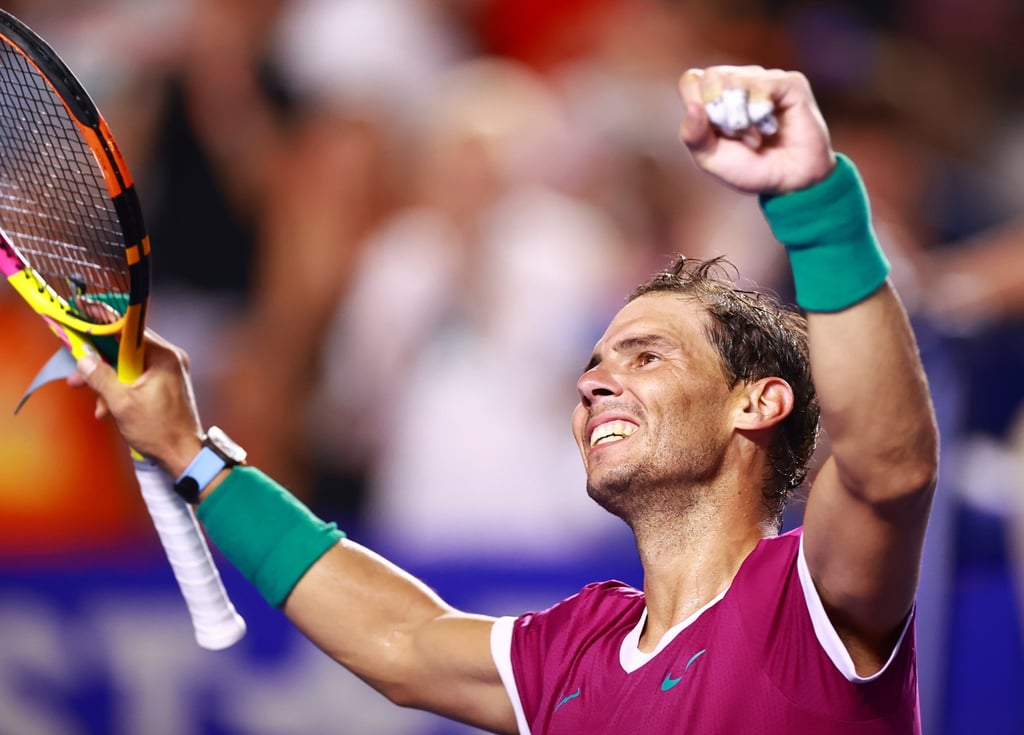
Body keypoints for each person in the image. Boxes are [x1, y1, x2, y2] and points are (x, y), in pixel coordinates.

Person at [70, 65, 938, 733]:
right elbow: (404, 640)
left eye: (647, 355)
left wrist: (816, 203)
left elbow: (889, 464)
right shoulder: (579, 648)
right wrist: (189, 450)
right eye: (596, 360)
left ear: (758, 404)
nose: (596, 380)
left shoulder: (808, 598)